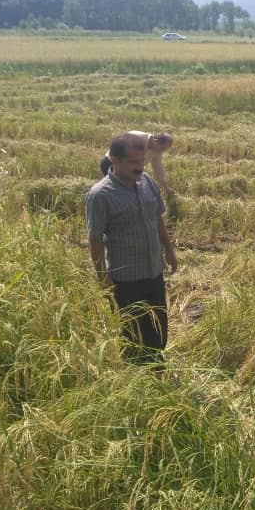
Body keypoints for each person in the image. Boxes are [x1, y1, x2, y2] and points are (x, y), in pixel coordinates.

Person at [86, 133, 178, 365]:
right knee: (132, 337)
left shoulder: (147, 183)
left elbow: (157, 218)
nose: (139, 168)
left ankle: (156, 370)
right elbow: (95, 240)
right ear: (114, 160)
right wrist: (103, 279)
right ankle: (137, 382)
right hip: (126, 280)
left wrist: (169, 250)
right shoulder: (100, 196)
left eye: (141, 162)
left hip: (154, 272)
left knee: (158, 330)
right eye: (133, 163)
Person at [100, 131, 174, 195]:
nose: (162, 151)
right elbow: (118, 149)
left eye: (164, 150)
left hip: (129, 170)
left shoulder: (157, 151)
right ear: (156, 140)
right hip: (113, 164)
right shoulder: (137, 137)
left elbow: (158, 169)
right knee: (115, 191)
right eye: (163, 148)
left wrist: (166, 188)